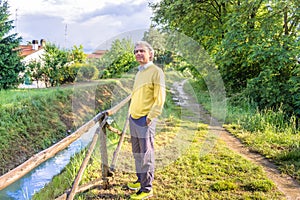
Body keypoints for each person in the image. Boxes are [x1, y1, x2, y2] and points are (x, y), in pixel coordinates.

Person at [127, 41, 166, 199]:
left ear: (150, 53)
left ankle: (147, 188)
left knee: (145, 154)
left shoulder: (156, 72)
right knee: (137, 153)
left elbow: (160, 98)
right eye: (136, 51)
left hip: (145, 120)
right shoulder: (139, 72)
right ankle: (140, 179)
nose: (138, 54)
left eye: (141, 51)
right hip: (134, 118)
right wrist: (131, 113)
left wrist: (150, 118)